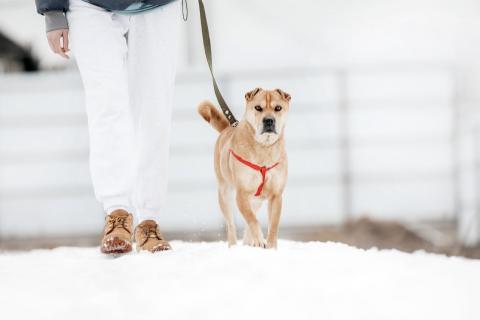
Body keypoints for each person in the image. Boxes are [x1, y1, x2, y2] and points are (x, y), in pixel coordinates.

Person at [35, 0, 182, 254]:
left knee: (153, 109)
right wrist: (52, 9)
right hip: (90, 6)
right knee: (107, 105)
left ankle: (148, 219)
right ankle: (117, 213)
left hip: (158, 5)